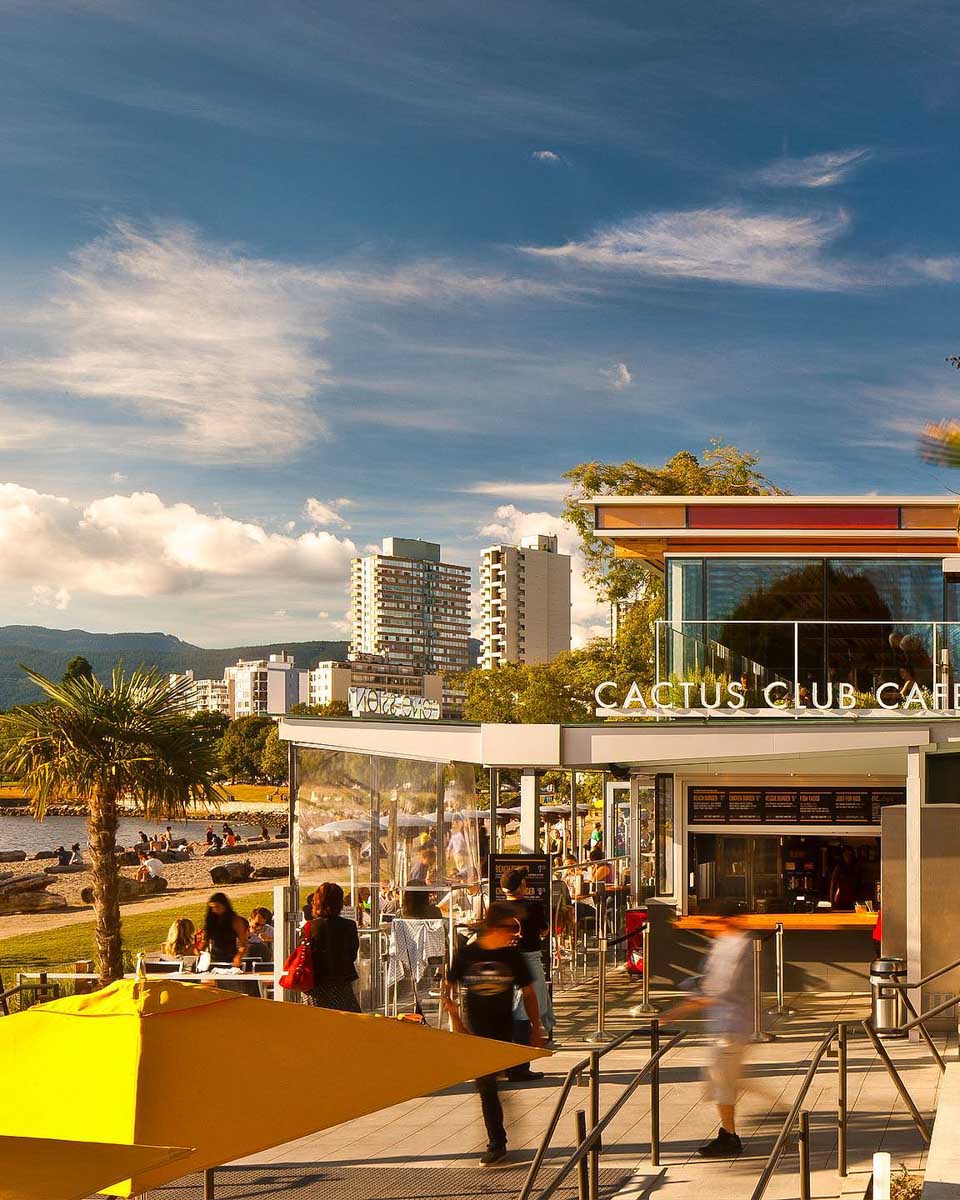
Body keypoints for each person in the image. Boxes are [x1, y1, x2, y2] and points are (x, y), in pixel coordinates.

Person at [444, 902, 544, 1167]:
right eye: (511, 927)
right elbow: (449, 989)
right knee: (487, 1087)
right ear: (494, 927)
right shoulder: (467, 954)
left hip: (503, 1028)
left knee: (490, 1086)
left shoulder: (513, 957)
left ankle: (497, 1138)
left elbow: (529, 993)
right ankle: (497, 1142)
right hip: (476, 1031)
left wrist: (537, 1027)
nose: (516, 933)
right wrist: (455, 1019)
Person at [669, 911, 753, 1157]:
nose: (705, 926)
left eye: (710, 921)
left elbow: (722, 987)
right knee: (724, 1078)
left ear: (725, 920)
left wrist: (681, 1009)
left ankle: (730, 1136)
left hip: (731, 1026)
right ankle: (732, 1131)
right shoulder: (725, 944)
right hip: (725, 1024)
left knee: (722, 1080)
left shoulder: (737, 947)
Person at [500, 866, 554, 1065]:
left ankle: (510, 1059)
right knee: (528, 1007)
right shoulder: (533, 907)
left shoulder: (497, 908)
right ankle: (521, 1064)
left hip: (505, 962)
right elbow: (544, 931)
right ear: (522, 886)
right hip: (529, 960)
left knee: (512, 1007)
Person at [304, 881, 361, 1011]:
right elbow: (352, 954)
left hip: (315, 984)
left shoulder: (309, 927)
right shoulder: (349, 926)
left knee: (316, 1023)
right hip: (342, 982)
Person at [199, 892, 248, 966]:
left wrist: (238, 956)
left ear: (225, 906)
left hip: (230, 958)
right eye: (212, 907)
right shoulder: (210, 921)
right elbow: (205, 941)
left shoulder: (235, 921)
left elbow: (243, 944)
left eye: (217, 907)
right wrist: (198, 951)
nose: (214, 910)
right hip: (213, 959)